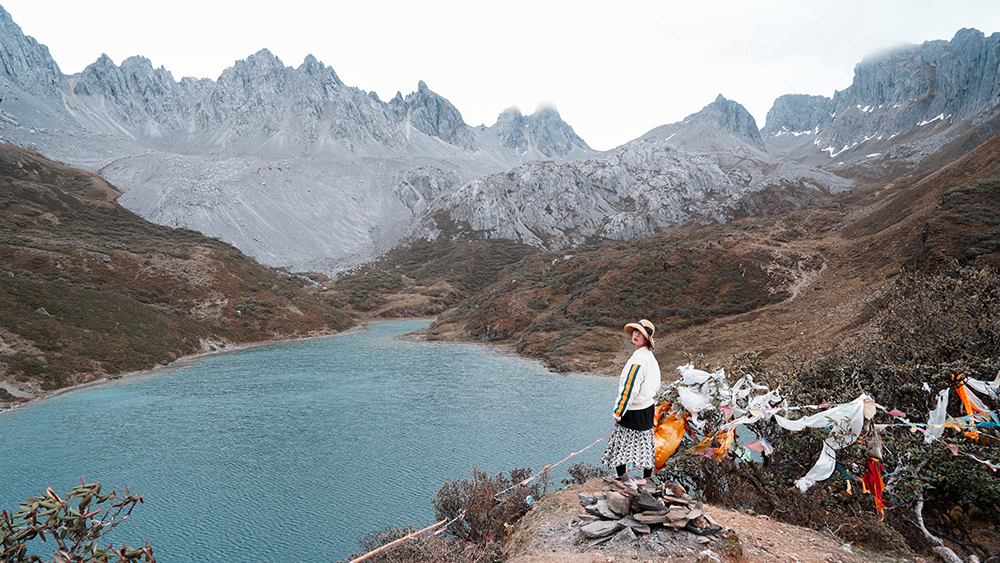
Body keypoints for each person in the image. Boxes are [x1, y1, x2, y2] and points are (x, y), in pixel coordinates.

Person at [600, 318, 661, 479]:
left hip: (633, 409)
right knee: (646, 444)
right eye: (635, 331)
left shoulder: (638, 358)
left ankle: (622, 478)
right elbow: (656, 385)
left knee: (621, 443)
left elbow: (630, 386)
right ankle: (647, 479)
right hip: (648, 407)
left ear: (646, 338)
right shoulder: (649, 357)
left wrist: (619, 411)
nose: (635, 334)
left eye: (640, 333)